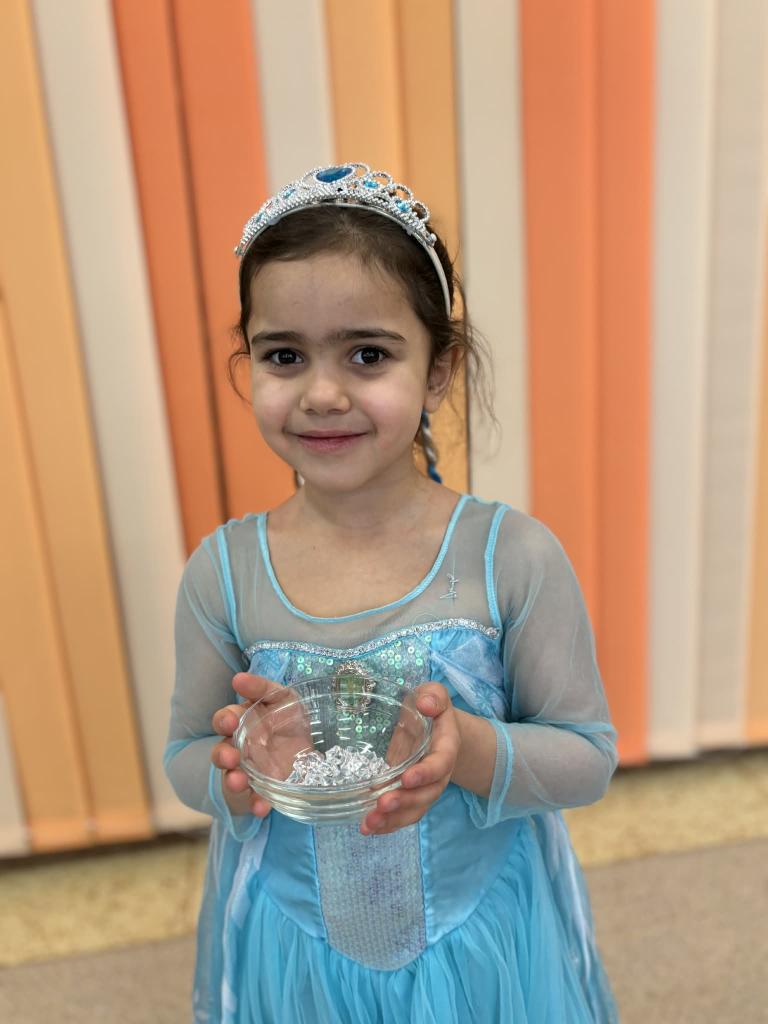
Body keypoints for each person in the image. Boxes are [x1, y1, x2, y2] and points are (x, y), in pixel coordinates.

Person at [165, 162, 620, 1023]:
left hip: (476, 942)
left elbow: (586, 757)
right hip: (296, 946)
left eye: (368, 354)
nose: (322, 392)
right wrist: (234, 777)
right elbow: (186, 751)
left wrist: (467, 749)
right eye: (285, 356)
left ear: (439, 371)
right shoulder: (223, 572)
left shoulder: (511, 557)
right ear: (247, 363)